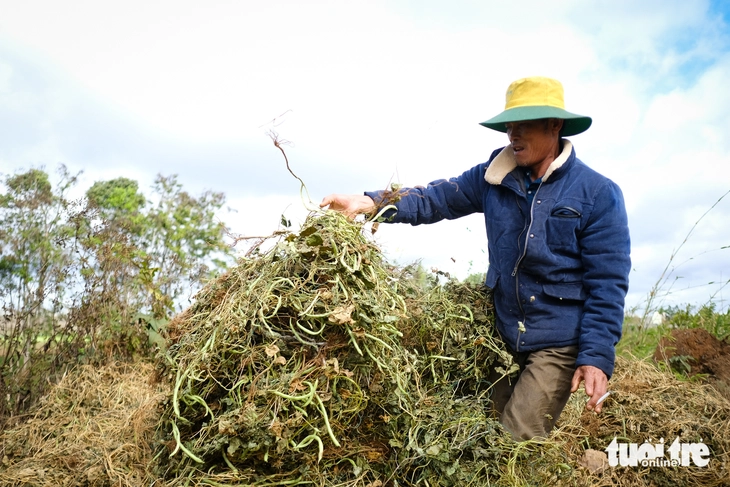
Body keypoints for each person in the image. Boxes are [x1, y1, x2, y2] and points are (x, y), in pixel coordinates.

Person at [320, 76, 631, 440]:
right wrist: (373, 203)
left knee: (516, 437)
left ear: (555, 125)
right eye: (509, 126)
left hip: (558, 339)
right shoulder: (492, 177)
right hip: (504, 332)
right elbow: (436, 198)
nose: (513, 135)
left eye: (524, 126)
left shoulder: (597, 193)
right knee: (481, 433)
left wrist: (595, 356)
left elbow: (607, 283)